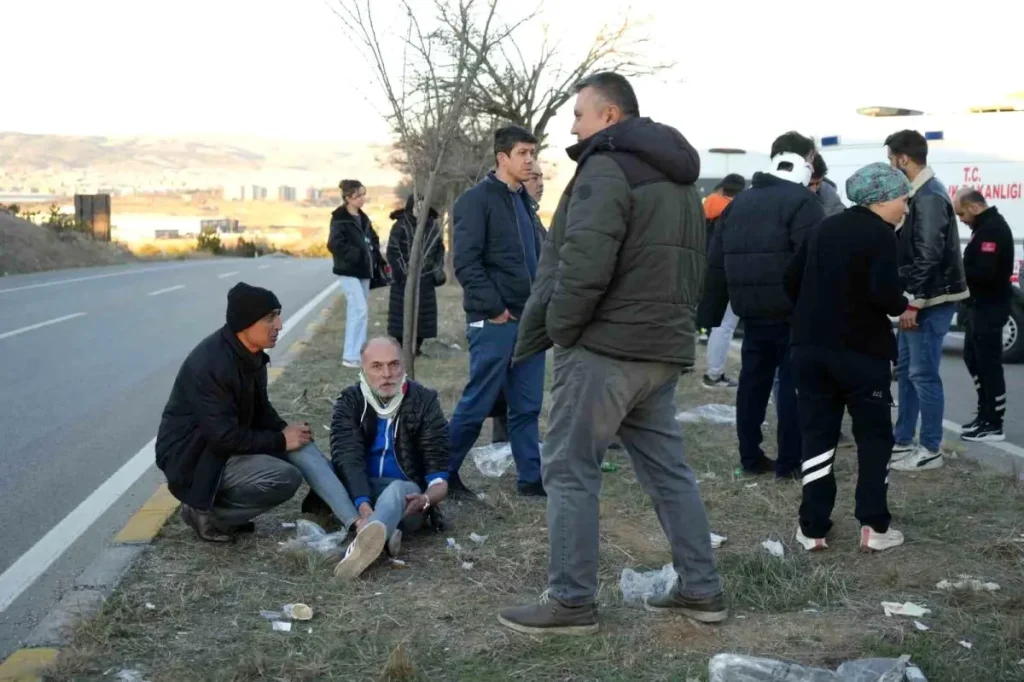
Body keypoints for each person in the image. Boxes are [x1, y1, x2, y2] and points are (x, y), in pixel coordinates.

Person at [500, 72, 726, 635]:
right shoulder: (680, 180)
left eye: (579, 114)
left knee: (571, 471)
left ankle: (571, 602)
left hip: (606, 348)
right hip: (660, 349)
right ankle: (702, 589)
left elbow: (583, 264)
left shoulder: (606, 167)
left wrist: (565, 331)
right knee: (668, 473)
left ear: (608, 116)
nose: (572, 126)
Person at [156, 283, 361, 542]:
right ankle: (211, 515)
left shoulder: (251, 355)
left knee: (300, 443)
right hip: (193, 457)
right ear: (244, 322)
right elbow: (222, 437)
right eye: (269, 318)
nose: (279, 325)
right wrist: (280, 440)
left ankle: (355, 521)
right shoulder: (211, 364)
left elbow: (261, 411)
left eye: (278, 315)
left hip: (221, 446)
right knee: (283, 477)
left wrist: (287, 433)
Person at [785, 163, 911, 552]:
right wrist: (905, 303)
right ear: (882, 199)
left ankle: (813, 529)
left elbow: (790, 279)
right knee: (874, 438)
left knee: (817, 436)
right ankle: (874, 527)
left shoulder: (824, 226)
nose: (905, 209)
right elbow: (886, 297)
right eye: (903, 200)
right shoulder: (881, 235)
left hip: (810, 350)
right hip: (862, 353)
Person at [705, 132, 825, 478]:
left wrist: (711, 312)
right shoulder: (804, 202)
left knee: (752, 384)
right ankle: (789, 461)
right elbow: (814, 261)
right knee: (790, 387)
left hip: (751, 311)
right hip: (792, 312)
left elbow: (716, 260)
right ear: (804, 160)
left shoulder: (740, 201)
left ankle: (750, 456)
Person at [447, 125, 547, 498]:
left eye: (532, 153)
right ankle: (442, 473)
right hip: (495, 321)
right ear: (502, 157)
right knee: (478, 402)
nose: (529, 160)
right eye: (522, 153)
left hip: (530, 321)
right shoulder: (477, 200)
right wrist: (496, 308)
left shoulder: (523, 201)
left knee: (526, 405)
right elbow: (466, 263)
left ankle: (531, 479)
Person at [329, 337, 450, 579]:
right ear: (363, 369)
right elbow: (347, 459)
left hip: (406, 496)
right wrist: (362, 503)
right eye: (377, 366)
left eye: (394, 364)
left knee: (395, 490)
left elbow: (439, 477)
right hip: (360, 494)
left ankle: (360, 548)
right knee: (324, 466)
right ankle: (379, 535)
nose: (387, 374)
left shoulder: (424, 401)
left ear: (404, 366)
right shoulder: (350, 401)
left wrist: (426, 499)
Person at [886, 131, 968, 471]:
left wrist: (914, 302)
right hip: (922, 297)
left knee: (923, 375)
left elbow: (929, 254)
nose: (890, 165)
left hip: (930, 300)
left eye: (891, 158)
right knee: (907, 372)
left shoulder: (930, 196)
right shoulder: (919, 193)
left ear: (903, 158)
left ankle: (931, 448)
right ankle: (903, 440)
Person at [955, 187, 1014, 442]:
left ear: (975, 207)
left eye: (962, 213)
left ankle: (994, 424)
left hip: (990, 307)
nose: (962, 219)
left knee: (988, 366)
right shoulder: (983, 228)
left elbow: (985, 273)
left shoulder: (993, 230)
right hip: (978, 307)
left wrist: (957, 274)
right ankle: (984, 415)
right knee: (973, 359)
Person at [328, 179, 389, 369]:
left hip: (364, 270)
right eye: (359, 195)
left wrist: (375, 255)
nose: (363, 198)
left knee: (358, 311)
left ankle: (358, 354)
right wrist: (357, 254)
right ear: (348, 198)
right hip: (348, 270)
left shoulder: (363, 217)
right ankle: (350, 356)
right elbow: (334, 244)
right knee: (359, 310)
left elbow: (372, 237)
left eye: (364, 194)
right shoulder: (339, 218)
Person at [697, 173, 746, 389]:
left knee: (714, 323)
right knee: (725, 326)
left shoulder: (706, 205)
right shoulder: (736, 211)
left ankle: (711, 372)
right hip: (729, 273)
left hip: (707, 270)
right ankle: (714, 374)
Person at [386, 194, 446, 356]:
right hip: (403, 280)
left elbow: (439, 250)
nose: (419, 210)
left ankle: (417, 348)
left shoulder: (432, 226)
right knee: (402, 314)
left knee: (423, 316)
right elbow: (393, 252)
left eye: (422, 206)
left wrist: (435, 270)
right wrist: (402, 274)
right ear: (410, 207)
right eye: (416, 206)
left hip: (425, 279)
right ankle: (402, 347)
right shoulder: (400, 226)